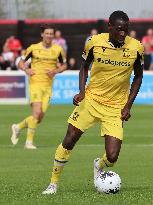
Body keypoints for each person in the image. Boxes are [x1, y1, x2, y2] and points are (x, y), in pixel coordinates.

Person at [42, 10, 144, 195]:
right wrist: (82, 92)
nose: (123, 33)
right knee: (70, 139)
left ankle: (99, 164)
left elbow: (138, 77)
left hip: (115, 107)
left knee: (112, 157)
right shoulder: (94, 43)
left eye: (126, 29)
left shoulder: (136, 47)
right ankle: (53, 183)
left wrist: (128, 105)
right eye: (119, 29)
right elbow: (84, 67)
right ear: (110, 27)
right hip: (91, 100)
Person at [11, 24, 67, 149]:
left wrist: (55, 71)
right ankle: (28, 142)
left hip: (48, 86)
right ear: (42, 34)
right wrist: (26, 69)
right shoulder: (33, 48)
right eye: (46, 33)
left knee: (39, 117)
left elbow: (64, 65)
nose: (49, 36)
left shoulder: (58, 49)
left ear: (53, 35)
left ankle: (17, 127)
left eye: (51, 34)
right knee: (36, 112)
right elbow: (20, 61)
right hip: (35, 83)